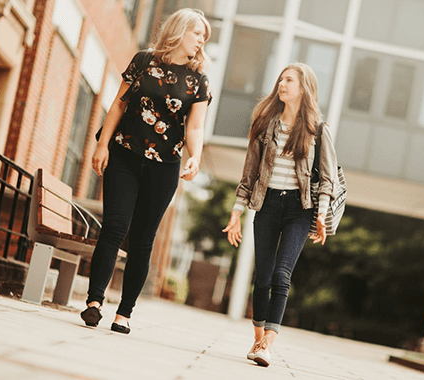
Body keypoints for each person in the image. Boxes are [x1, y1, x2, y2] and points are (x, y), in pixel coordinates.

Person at [80, 8, 212, 334]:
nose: (201, 41)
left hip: (164, 168)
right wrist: (101, 145)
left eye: (204, 38)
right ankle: (94, 302)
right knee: (113, 227)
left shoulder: (198, 81)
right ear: (180, 30)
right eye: (197, 33)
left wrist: (194, 157)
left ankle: (124, 313)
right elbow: (119, 104)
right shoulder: (143, 61)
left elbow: (194, 128)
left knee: (142, 240)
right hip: (124, 155)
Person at [222, 63, 339, 367]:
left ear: (304, 88)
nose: (281, 84)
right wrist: (236, 213)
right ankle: (258, 338)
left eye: (289, 80)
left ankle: (268, 343)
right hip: (268, 205)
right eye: (281, 79)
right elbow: (249, 175)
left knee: (281, 274)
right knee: (262, 278)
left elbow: (328, 178)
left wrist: (322, 214)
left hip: (299, 211)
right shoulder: (265, 125)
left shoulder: (317, 129)